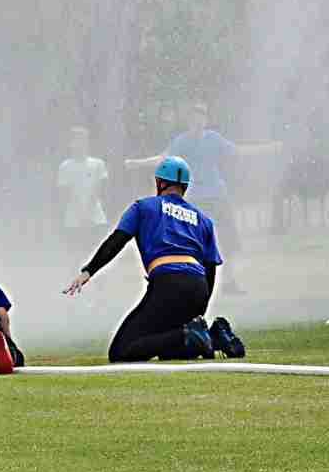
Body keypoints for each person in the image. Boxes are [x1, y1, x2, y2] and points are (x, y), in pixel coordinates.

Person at [63, 154, 246, 360]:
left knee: (121, 352)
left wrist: (89, 270)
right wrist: (200, 313)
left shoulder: (143, 207)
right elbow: (210, 268)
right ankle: (214, 336)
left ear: (159, 182)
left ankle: (194, 335)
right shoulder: (203, 220)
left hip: (167, 285)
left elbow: (117, 240)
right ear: (185, 186)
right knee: (171, 352)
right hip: (198, 287)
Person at [129, 101, 280, 295]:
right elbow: (164, 158)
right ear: (189, 121)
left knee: (228, 238)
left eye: (201, 116)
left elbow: (238, 151)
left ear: (206, 119)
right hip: (195, 199)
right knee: (193, 241)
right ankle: (196, 281)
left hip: (217, 195)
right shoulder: (181, 141)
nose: (197, 120)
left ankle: (229, 281)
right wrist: (138, 163)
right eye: (193, 116)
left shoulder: (214, 139)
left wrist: (268, 148)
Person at [56, 127, 110, 246]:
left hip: (96, 218)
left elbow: (98, 188)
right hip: (73, 219)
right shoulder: (65, 166)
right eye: (76, 141)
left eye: (83, 140)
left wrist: (88, 211)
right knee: (76, 253)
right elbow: (66, 191)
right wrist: (81, 211)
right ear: (70, 144)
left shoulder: (98, 164)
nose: (80, 144)